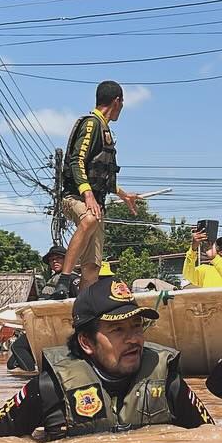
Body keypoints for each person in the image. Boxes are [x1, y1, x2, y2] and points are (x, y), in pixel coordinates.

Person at [0, 277, 214, 440]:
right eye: (117, 330)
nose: (134, 339)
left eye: (136, 327)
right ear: (86, 342)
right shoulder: (48, 388)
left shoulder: (167, 382)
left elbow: (212, 438)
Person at [58, 81, 142, 292]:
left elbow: (102, 175)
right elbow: (77, 160)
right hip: (75, 198)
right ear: (117, 101)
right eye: (122, 104)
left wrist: (123, 195)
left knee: (92, 267)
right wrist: (87, 196)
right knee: (89, 219)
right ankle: (64, 279)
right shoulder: (92, 124)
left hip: (97, 203)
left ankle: (85, 310)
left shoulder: (106, 130)